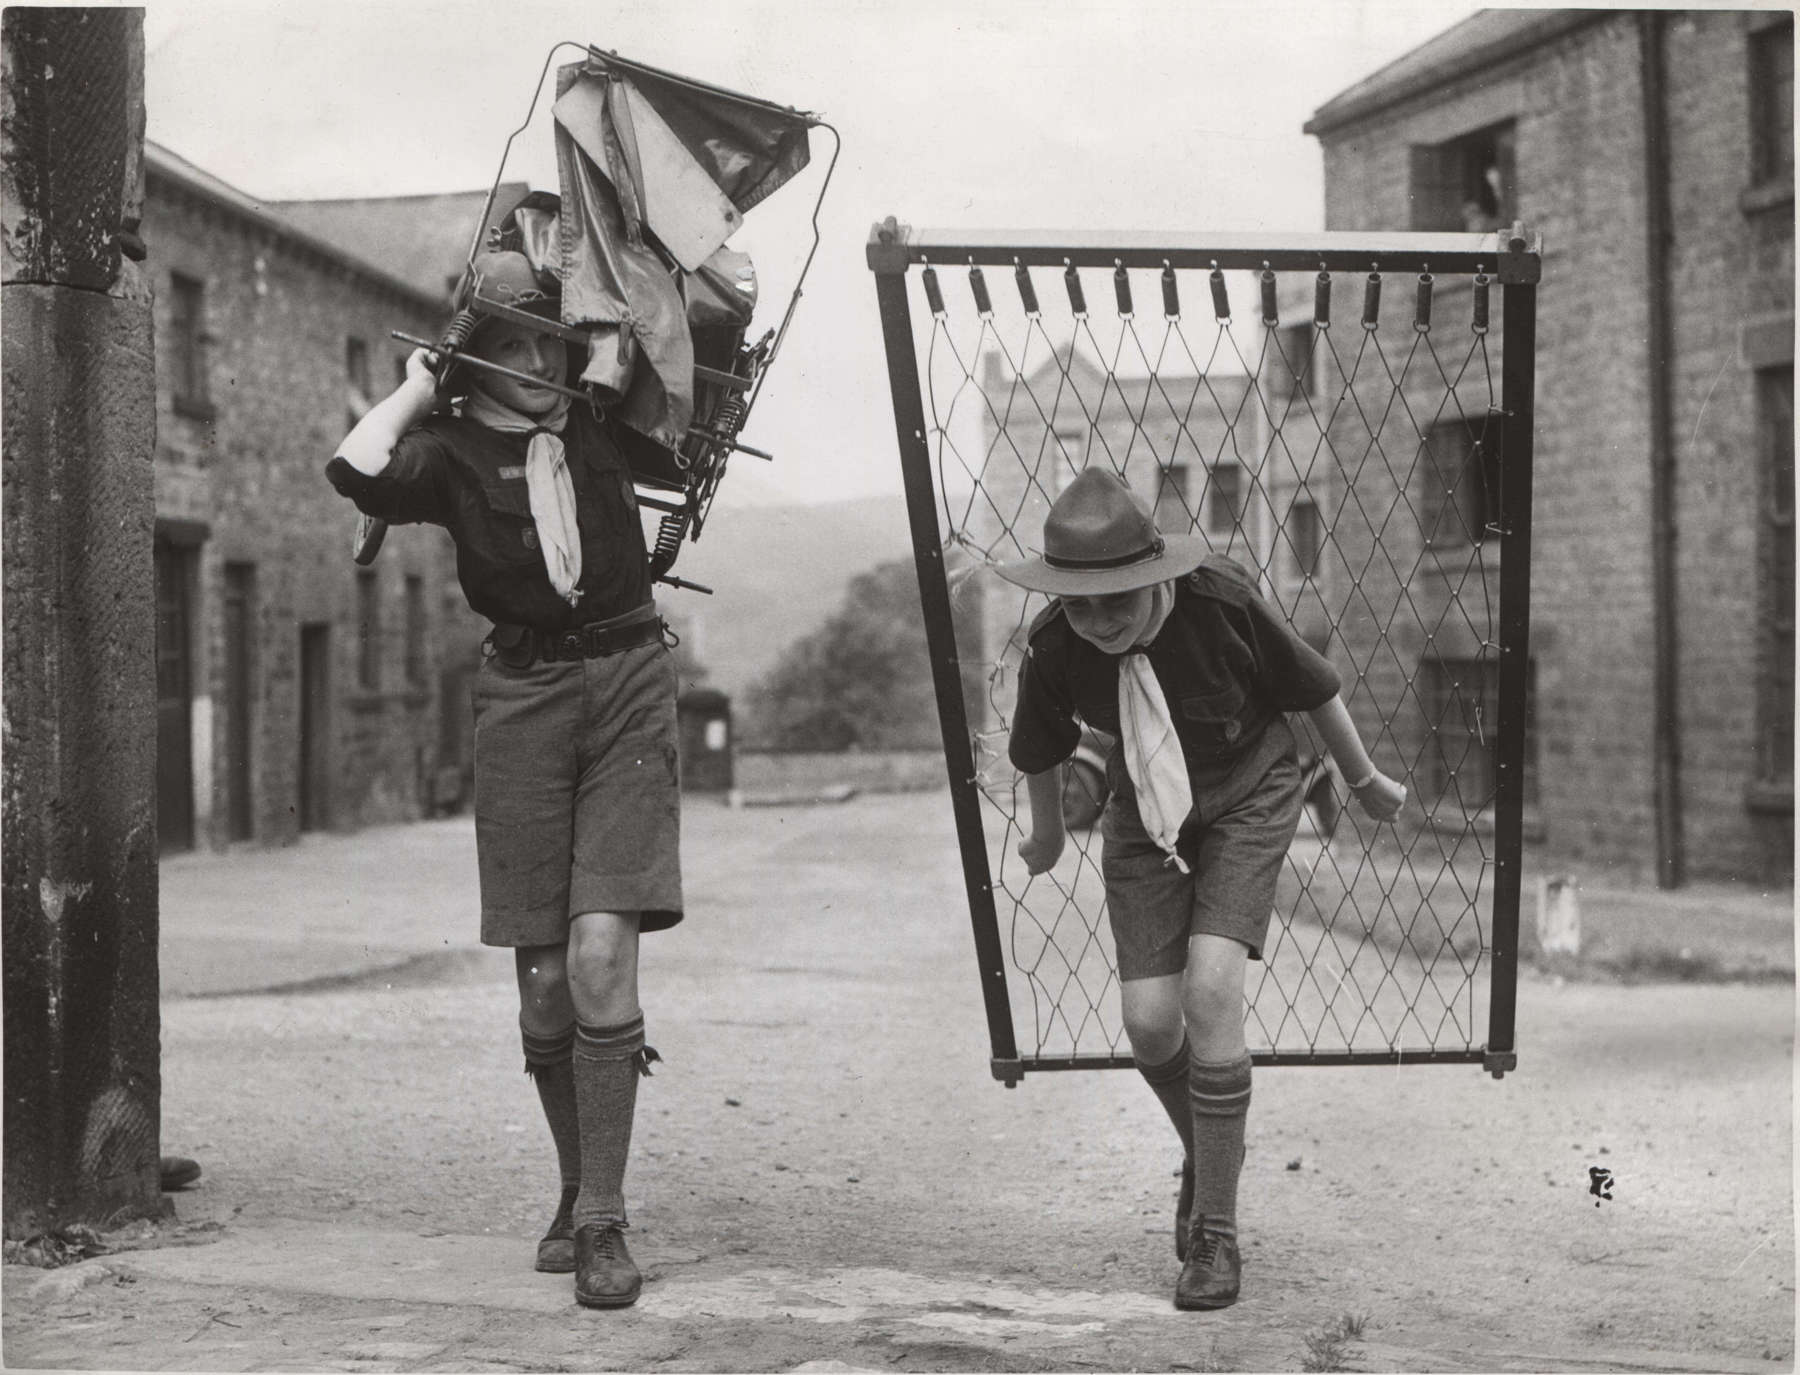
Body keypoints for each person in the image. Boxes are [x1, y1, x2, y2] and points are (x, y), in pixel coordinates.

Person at [325, 249, 681, 1310]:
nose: (543, 361)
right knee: (541, 986)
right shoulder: (447, 454)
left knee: (600, 953)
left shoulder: (601, 420)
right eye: (515, 343)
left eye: (552, 340)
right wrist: (422, 385)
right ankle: (577, 1187)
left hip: (625, 681)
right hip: (521, 701)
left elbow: (673, 347)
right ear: (477, 357)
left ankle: (606, 1223)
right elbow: (353, 466)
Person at [998, 469, 1405, 1311]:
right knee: (1149, 1021)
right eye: (1081, 604)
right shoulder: (1054, 643)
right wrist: (1042, 836)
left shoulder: (1219, 603)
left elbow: (1315, 687)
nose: (1100, 621)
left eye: (1118, 600)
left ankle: (1215, 1234)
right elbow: (1037, 748)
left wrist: (1360, 778)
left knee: (1212, 988)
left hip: (1248, 793)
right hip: (1143, 812)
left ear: (1153, 575)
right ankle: (1209, 1146)